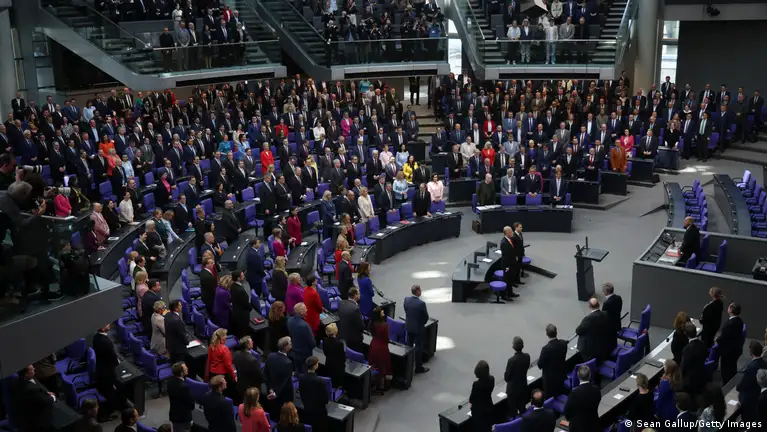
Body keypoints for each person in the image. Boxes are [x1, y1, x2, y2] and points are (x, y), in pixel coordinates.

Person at [11, 364, 56, 431]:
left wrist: (44, 393)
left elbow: (36, 395)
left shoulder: (18, 381)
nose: (34, 369)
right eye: (31, 369)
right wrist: (53, 397)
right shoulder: (31, 389)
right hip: (38, 422)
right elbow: (46, 401)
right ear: (26, 374)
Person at [92, 324, 121, 422]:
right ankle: (105, 415)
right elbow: (112, 356)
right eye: (106, 324)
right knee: (109, 392)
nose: (109, 324)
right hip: (107, 370)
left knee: (108, 391)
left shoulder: (96, 337)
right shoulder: (105, 342)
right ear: (101, 327)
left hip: (101, 368)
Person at [563, 365, 601, 432]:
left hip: (578, 428)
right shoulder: (596, 390)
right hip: (593, 425)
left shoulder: (574, 393)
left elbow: (566, 411)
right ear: (590, 375)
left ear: (578, 375)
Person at [264, 337, 295, 419]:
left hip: (270, 391)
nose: (291, 344)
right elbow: (285, 381)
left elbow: (265, 374)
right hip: (283, 395)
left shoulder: (270, 356)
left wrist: (270, 389)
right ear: (286, 347)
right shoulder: (288, 363)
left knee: (274, 412)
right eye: (290, 343)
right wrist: (276, 393)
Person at [575, 298, 613, 364]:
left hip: (590, 348)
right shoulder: (605, 314)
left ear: (589, 306)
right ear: (598, 305)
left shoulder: (588, 319)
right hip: (602, 342)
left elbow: (578, 331)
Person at [737, 340, 766, 421]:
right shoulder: (764, 363)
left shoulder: (751, 367)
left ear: (751, 352)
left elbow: (744, 383)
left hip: (750, 398)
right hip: (759, 392)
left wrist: (738, 387)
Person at [205, 328, 237, 398]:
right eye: (225, 335)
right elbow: (228, 365)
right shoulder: (224, 349)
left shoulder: (211, 346)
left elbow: (209, 360)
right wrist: (234, 376)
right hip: (222, 376)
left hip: (212, 374)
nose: (226, 337)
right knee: (222, 394)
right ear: (221, 337)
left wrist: (206, 375)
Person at [404, 284, 430, 373]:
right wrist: (422, 323)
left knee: (409, 346)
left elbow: (406, 311)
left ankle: (408, 365)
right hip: (418, 328)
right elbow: (426, 317)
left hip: (409, 326)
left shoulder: (406, 300)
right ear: (418, 291)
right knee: (418, 347)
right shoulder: (421, 304)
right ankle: (418, 367)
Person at [298, 357, 329, 432]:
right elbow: (325, 399)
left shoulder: (301, 377)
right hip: (319, 411)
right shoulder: (319, 381)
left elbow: (301, 392)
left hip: (307, 408)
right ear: (315, 366)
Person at [717, 302, 744, 384]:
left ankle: (726, 385)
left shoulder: (729, 325)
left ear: (731, 310)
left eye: (729, 307)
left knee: (726, 371)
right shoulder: (739, 321)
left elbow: (724, 338)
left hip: (728, 352)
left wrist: (717, 340)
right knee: (732, 367)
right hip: (736, 348)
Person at [538, 323, 567, 399]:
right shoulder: (563, 343)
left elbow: (540, 364)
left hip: (549, 381)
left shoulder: (546, 349)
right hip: (561, 375)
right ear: (556, 332)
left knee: (549, 398)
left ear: (547, 334)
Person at [233, 336, 264, 405]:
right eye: (251, 342)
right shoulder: (253, 360)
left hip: (240, 386)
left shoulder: (236, 355)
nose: (253, 342)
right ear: (247, 345)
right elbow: (259, 377)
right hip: (251, 390)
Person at [504, 336, 531, 417]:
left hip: (513, 391)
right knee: (522, 408)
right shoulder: (527, 356)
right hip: (523, 387)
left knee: (513, 411)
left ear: (513, 346)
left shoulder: (511, 360)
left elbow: (506, 377)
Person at [368, 307, 393, 391]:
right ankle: (384, 385)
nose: (384, 313)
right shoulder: (384, 325)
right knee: (384, 366)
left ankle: (375, 382)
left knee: (375, 365)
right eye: (382, 312)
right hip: (382, 348)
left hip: (373, 345)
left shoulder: (372, 323)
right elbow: (386, 338)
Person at [680, 321, 706, 398]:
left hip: (690, 380)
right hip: (701, 375)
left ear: (685, 333)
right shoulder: (702, 344)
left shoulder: (687, 349)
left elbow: (684, 367)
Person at [287, 302, 315, 374]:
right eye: (305, 308)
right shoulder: (305, 326)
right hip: (305, 355)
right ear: (302, 312)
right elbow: (312, 343)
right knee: (305, 372)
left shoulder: (289, 320)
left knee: (298, 371)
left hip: (294, 351)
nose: (307, 310)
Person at [469, 360, 495, 432]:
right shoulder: (492, 379)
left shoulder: (476, 384)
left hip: (479, 412)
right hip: (489, 407)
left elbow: (471, 399)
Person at [168, 362, 194, 432]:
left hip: (174, 414)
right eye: (185, 368)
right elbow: (190, 403)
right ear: (181, 373)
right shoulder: (184, 387)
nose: (187, 368)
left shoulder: (169, 381)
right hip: (183, 418)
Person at [338, 287, 365, 353]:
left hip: (342, 333)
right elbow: (361, 326)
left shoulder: (341, 303)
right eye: (358, 293)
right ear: (355, 295)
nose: (360, 295)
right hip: (353, 339)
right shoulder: (355, 309)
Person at [229, 270, 252, 339]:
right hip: (242, 316)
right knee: (242, 333)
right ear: (238, 278)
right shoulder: (241, 290)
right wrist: (250, 308)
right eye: (242, 275)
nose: (244, 276)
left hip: (235, 311)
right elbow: (246, 304)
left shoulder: (233, 285)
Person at [323, 323, 346, 389]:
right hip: (337, 368)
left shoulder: (325, 340)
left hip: (328, 364)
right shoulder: (339, 344)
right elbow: (343, 358)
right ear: (335, 331)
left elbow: (325, 353)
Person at [501, 226, 520, 298]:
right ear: (507, 233)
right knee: (506, 280)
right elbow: (505, 256)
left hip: (512, 264)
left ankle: (510, 293)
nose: (512, 232)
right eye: (511, 231)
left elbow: (512, 251)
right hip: (507, 266)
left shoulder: (510, 240)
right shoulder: (504, 243)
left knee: (510, 280)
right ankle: (504, 296)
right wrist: (507, 267)